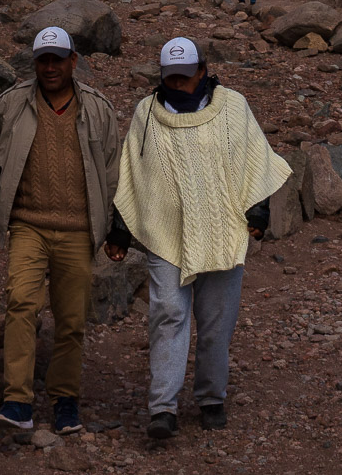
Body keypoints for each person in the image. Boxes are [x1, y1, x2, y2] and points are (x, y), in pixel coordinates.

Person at [107, 37, 290, 440]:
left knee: (216, 323)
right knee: (168, 316)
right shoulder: (147, 113)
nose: (178, 83)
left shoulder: (233, 107)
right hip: (166, 232)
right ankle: (163, 408)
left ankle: (211, 397)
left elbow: (254, 158)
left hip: (222, 229)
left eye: (185, 77)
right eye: (170, 77)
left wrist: (257, 213)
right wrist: (120, 231)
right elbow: (133, 174)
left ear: (202, 72)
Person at [0, 27, 124, 435]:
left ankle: (65, 400)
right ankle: (17, 401)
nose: (49, 67)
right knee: (21, 305)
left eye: (57, 59)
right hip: (27, 224)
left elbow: (116, 175)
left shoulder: (98, 109)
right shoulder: (11, 105)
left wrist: (119, 231)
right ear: (34, 63)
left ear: (73, 61)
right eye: (42, 60)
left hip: (78, 231)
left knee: (71, 320)